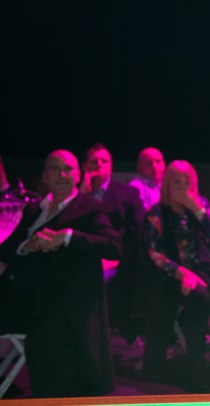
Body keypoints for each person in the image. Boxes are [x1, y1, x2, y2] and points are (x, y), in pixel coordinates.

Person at [0, 149, 122, 397]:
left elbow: (114, 247)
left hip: (62, 303)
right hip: (24, 298)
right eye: (55, 169)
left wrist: (67, 237)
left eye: (68, 169)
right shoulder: (34, 210)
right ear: (45, 176)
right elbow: (6, 250)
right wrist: (28, 246)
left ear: (78, 175)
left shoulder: (90, 209)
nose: (62, 175)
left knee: (52, 347)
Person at [141, 160, 210, 392]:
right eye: (176, 183)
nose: (182, 189)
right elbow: (154, 254)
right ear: (167, 185)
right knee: (199, 298)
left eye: (186, 184)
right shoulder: (156, 214)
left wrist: (196, 210)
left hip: (206, 269)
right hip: (172, 273)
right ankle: (197, 369)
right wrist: (181, 273)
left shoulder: (201, 206)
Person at [80, 143, 148, 342]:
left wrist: (118, 259)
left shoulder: (127, 193)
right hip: (83, 255)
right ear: (85, 166)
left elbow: (139, 231)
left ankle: (95, 333)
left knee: (97, 280)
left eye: (104, 161)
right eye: (94, 161)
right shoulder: (77, 195)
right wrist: (82, 192)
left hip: (117, 259)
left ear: (111, 166)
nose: (99, 165)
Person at [129, 147, 166, 211]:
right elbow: (141, 213)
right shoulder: (134, 187)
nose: (154, 166)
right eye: (149, 163)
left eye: (158, 162)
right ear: (139, 167)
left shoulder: (168, 183)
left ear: (164, 165)